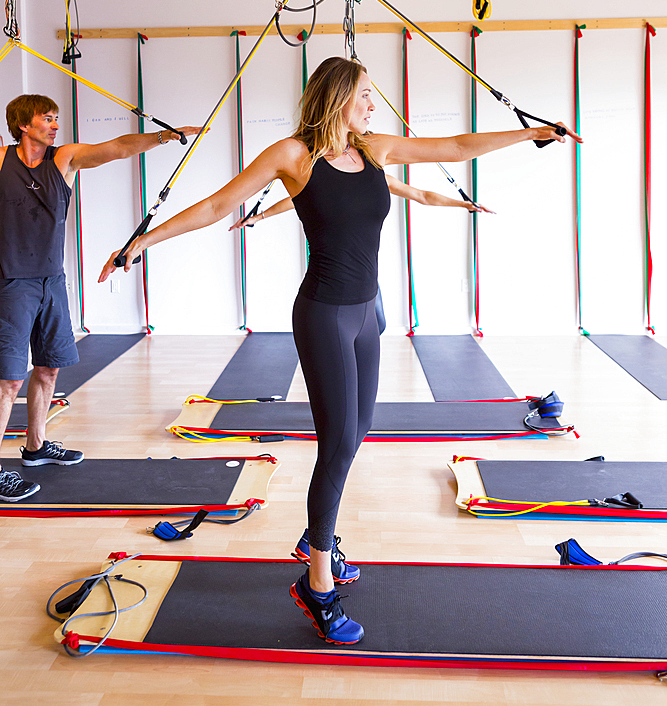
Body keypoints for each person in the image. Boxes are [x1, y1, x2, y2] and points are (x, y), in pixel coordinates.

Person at [100, 56, 581, 645]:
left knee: (355, 436)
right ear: (337, 97)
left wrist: (530, 132)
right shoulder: (293, 157)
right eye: (365, 96)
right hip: (324, 315)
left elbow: (455, 146)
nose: (373, 105)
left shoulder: (373, 149)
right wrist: (143, 240)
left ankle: (314, 538)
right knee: (335, 446)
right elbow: (216, 206)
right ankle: (317, 583)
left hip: (365, 316)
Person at [0, 93, 199, 503]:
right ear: (23, 124)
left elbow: (116, 149)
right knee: (8, 380)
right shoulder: (2, 161)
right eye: (47, 118)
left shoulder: (63, 159)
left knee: (48, 370)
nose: (55, 125)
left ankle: (35, 448)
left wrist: (165, 137)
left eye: (57, 118)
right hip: (10, 283)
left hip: (52, 281)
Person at [228, 175, 493, 333]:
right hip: (332, 279)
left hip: (365, 276)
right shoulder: (324, 181)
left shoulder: (378, 178)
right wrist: (259, 216)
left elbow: (421, 194)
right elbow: (292, 200)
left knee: (378, 325)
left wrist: (463, 203)